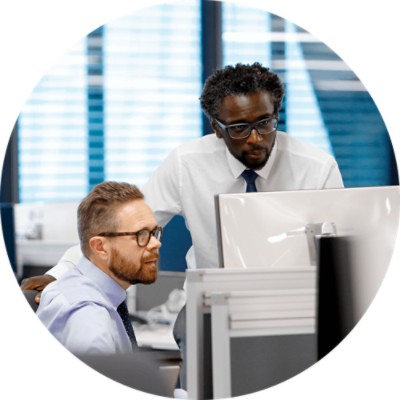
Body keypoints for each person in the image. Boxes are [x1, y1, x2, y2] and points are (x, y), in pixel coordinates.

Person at [22, 62, 344, 388]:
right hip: (211, 309)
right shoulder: (187, 164)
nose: (256, 138)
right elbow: (122, 225)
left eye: (266, 122)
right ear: (216, 128)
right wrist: (60, 273)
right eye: (238, 128)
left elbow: (342, 256)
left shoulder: (316, 168)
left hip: (293, 311)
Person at [36, 181, 162, 354]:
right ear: (100, 247)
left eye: (154, 232)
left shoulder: (86, 290)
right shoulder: (89, 318)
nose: (156, 243)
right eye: (141, 234)